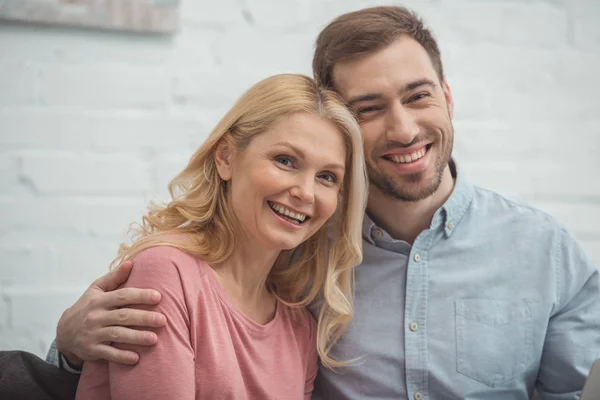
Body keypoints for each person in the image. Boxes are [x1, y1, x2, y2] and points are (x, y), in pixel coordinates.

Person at [48, 6, 600, 399]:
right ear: (339, 125)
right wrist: (70, 349)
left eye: (418, 96)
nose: (404, 128)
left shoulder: (544, 249)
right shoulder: (300, 251)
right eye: (370, 107)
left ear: (447, 97)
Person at [71, 73, 368, 399]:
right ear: (226, 157)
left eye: (327, 177)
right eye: (285, 161)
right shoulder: (165, 274)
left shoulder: (299, 328)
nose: (305, 192)